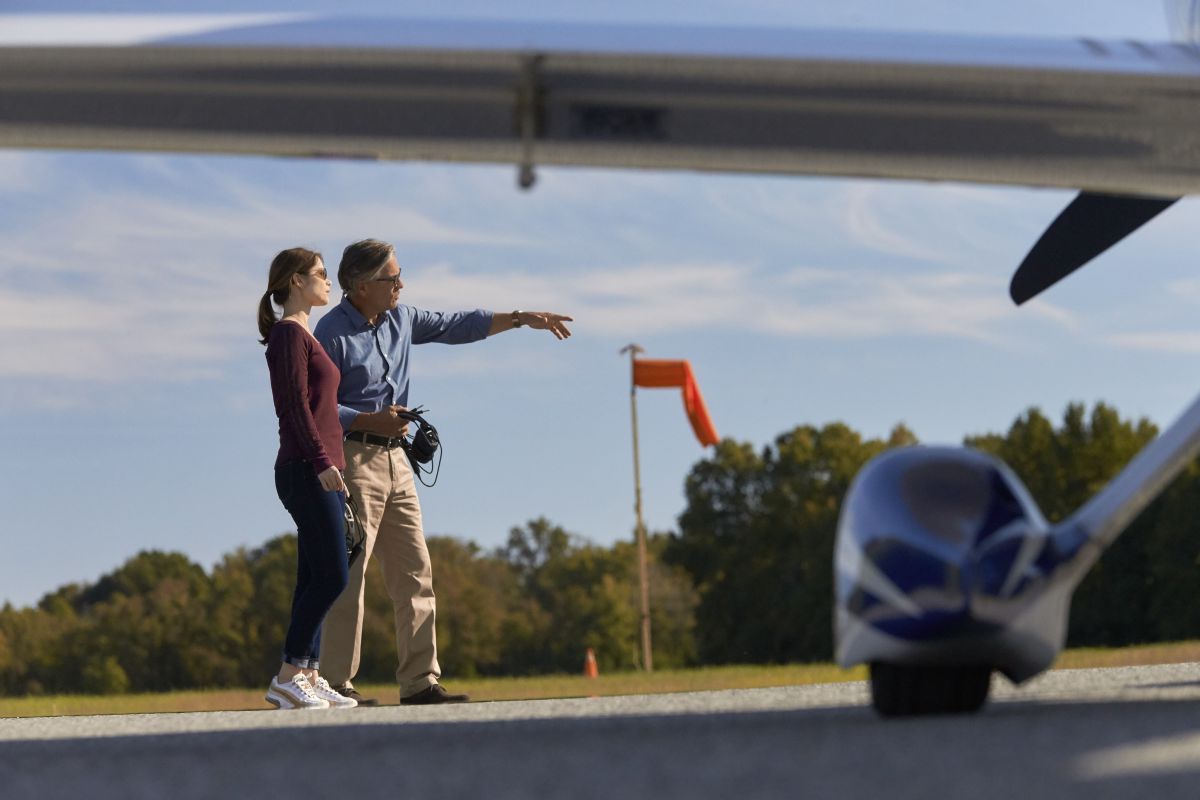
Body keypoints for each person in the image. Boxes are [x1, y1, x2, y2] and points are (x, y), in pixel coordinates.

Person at [314, 239, 572, 705]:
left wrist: (519, 318)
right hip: (352, 460)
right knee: (350, 575)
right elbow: (318, 408)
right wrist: (370, 419)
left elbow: (459, 325)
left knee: (416, 573)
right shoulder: (330, 333)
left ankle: (419, 683)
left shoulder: (401, 317)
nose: (401, 285)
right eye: (393, 278)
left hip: (398, 461)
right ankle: (335, 685)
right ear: (361, 285)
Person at [257, 247, 359, 710]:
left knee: (313, 575)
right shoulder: (287, 335)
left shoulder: (304, 335)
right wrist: (321, 462)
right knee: (333, 577)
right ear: (296, 281)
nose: (328, 282)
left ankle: (308, 674)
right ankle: (286, 676)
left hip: (320, 469)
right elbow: (294, 407)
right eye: (320, 275)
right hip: (304, 469)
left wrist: (331, 466)